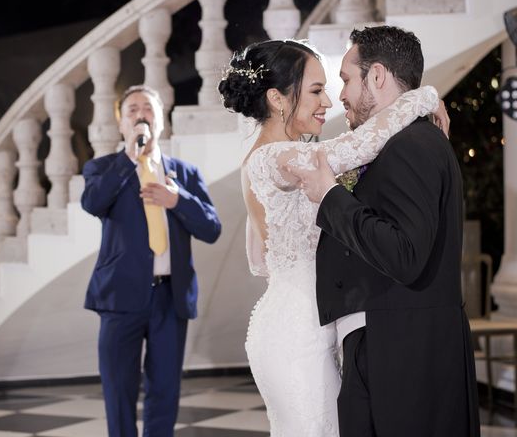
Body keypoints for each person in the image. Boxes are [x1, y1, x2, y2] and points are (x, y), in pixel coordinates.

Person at [218, 39, 444, 436]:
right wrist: (422, 98)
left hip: (302, 320)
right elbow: (356, 146)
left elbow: (260, 259)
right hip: (296, 333)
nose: (329, 102)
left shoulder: (275, 157)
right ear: (278, 98)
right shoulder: (273, 158)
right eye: (317, 90)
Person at [293, 26, 480, 436]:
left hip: (406, 354)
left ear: (376, 76)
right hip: (392, 341)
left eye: (346, 79)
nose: (341, 95)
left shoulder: (412, 144)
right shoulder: (399, 141)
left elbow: (405, 254)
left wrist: (329, 196)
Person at [80, 85, 221, 437]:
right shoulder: (102, 168)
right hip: (119, 297)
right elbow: (92, 203)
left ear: (161, 121)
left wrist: (178, 201)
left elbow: (212, 228)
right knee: (119, 391)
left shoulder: (185, 174)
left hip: (170, 299)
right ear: (122, 125)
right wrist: (129, 160)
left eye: (148, 108)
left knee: (165, 391)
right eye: (132, 110)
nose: (141, 114)